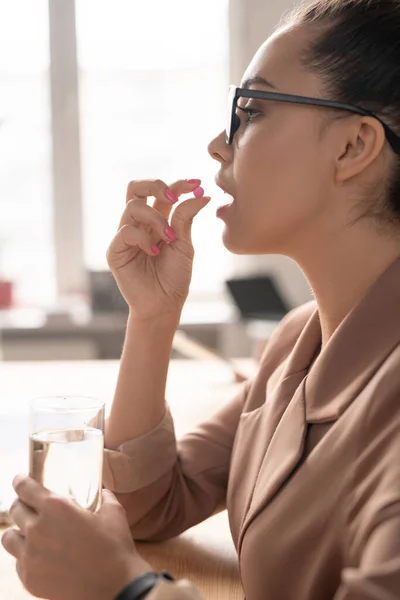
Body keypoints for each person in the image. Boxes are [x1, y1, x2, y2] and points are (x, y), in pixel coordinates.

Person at [3, 0, 400, 598]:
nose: (219, 144)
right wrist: (154, 316)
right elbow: (149, 504)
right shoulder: (301, 341)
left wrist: (127, 590)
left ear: (353, 147)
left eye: (252, 110)